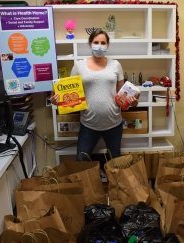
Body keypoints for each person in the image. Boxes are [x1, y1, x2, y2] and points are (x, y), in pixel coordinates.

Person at [51, 29, 138, 161]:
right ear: (90, 43)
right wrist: (58, 101)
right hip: (88, 125)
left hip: (113, 124)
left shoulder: (116, 65)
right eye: (96, 42)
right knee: (81, 161)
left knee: (115, 163)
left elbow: (122, 97)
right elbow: (69, 94)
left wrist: (133, 102)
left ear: (107, 45)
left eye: (103, 42)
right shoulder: (79, 66)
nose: (99, 45)